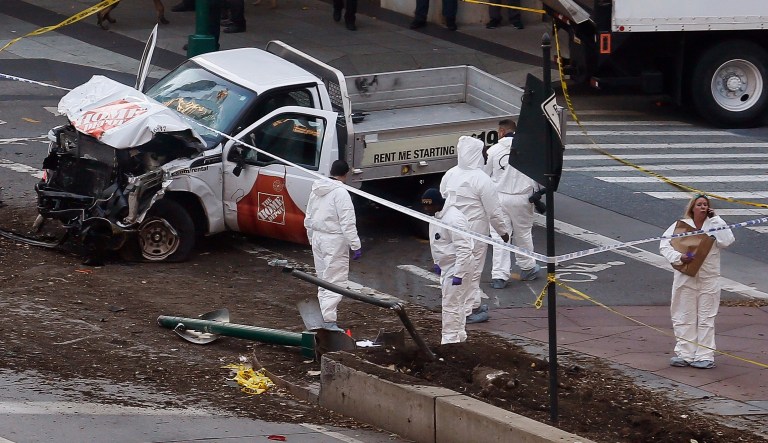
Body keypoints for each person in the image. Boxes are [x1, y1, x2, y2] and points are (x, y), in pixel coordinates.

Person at [440, 136, 511, 324]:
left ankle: (473, 304)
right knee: (472, 271)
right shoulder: (481, 179)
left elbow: (442, 196)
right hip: (474, 232)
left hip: (451, 230)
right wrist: (503, 232)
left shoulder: (451, 174)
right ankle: (468, 309)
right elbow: (494, 211)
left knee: (457, 268)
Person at [659, 194, 734, 369]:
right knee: (684, 314)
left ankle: (705, 355)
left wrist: (716, 219)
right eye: (699, 204)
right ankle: (685, 353)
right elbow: (664, 245)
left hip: (709, 277)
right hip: (686, 276)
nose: (702, 207)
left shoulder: (714, 224)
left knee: (706, 316)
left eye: (705, 204)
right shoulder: (681, 225)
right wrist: (679, 257)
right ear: (692, 207)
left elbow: (727, 241)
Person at [304, 160, 362, 331]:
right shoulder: (341, 193)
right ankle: (329, 321)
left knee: (323, 279)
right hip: (334, 240)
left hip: (318, 238)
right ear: (345, 174)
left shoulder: (317, 190)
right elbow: (347, 222)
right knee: (334, 281)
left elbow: (308, 217)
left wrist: (311, 238)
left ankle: (324, 316)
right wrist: (355, 244)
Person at [483, 119, 541, 289]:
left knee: (500, 236)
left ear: (501, 131)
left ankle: (499, 276)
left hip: (499, 197)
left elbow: (485, 175)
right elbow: (536, 175)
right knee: (523, 234)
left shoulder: (493, 150)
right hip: (523, 198)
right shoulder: (528, 150)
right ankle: (528, 267)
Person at [422, 188, 475, 344]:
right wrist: (437, 263)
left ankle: (450, 341)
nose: (426, 209)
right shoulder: (437, 216)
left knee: (451, 305)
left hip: (458, 266)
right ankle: (459, 336)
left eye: (429, 206)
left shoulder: (454, 219)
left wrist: (458, 274)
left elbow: (464, 249)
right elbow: (438, 243)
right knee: (457, 303)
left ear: (438, 204)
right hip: (449, 265)